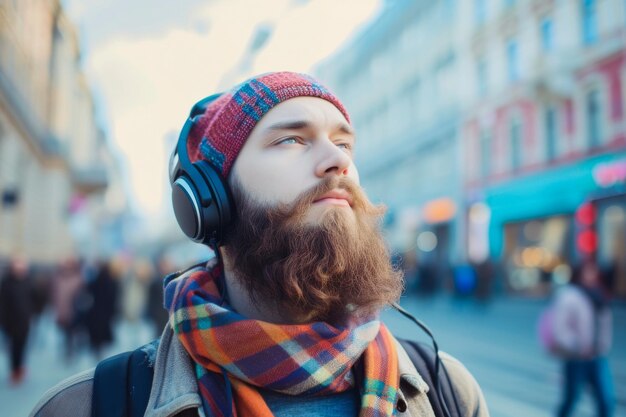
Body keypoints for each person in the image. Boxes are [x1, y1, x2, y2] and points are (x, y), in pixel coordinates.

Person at [31, 72, 488, 416]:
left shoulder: (446, 391)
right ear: (211, 202)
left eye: (345, 144)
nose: (337, 161)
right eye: (292, 139)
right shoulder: (93, 405)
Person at [554, 260, 615, 417]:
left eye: (593, 271)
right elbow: (560, 328)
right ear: (578, 274)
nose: (591, 276)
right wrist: (577, 346)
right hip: (576, 358)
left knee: (606, 401)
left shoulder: (599, 296)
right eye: (587, 272)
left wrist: (603, 346)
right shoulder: (569, 296)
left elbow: (605, 325)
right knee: (571, 399)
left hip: (597, 357)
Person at [0, 256, 34, 385]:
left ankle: (20, 367)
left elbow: (33, 298)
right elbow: (2, 302)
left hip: (24, 320)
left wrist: (33, 312)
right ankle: (15, 370)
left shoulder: (27, 281)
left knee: (23, 345)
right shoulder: (7, 282)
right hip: (11, 321)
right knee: (13, 347)